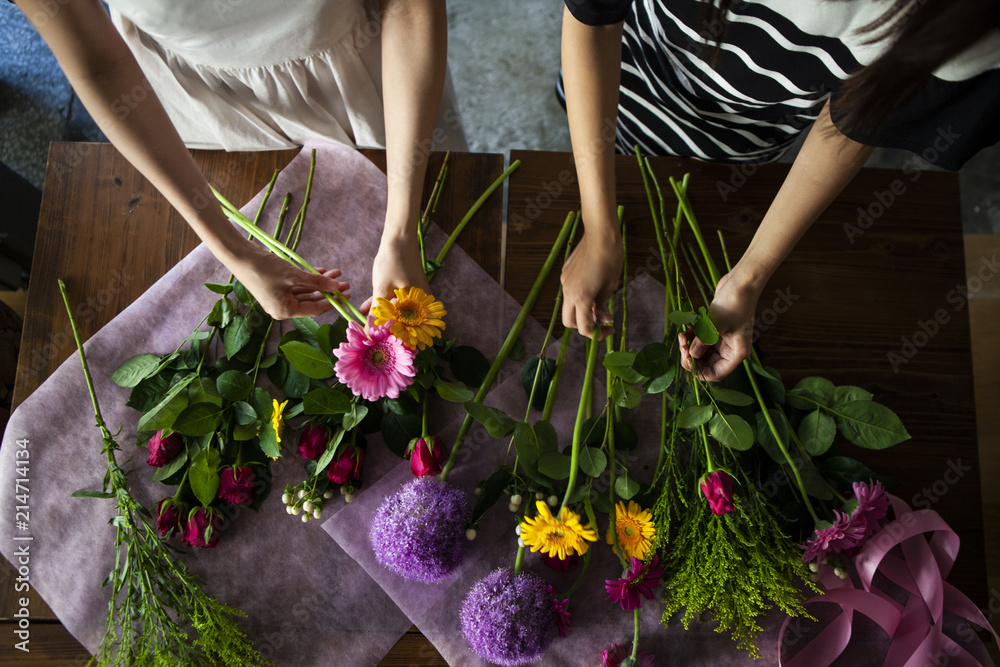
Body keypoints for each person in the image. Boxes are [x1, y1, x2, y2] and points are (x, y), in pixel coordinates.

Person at [558, 0, 1000, 380]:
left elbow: (858, 117)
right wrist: (599, 228)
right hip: (627, 59)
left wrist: (746, 281)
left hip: (752, 129)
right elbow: (594, 17)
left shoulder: (972, 21)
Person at [14, 0, 465, 319]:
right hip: (195, 107)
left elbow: (409, 4)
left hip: (371, 72)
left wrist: (402, 234)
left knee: (446, 200)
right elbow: (99, 65)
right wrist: (233, 251)